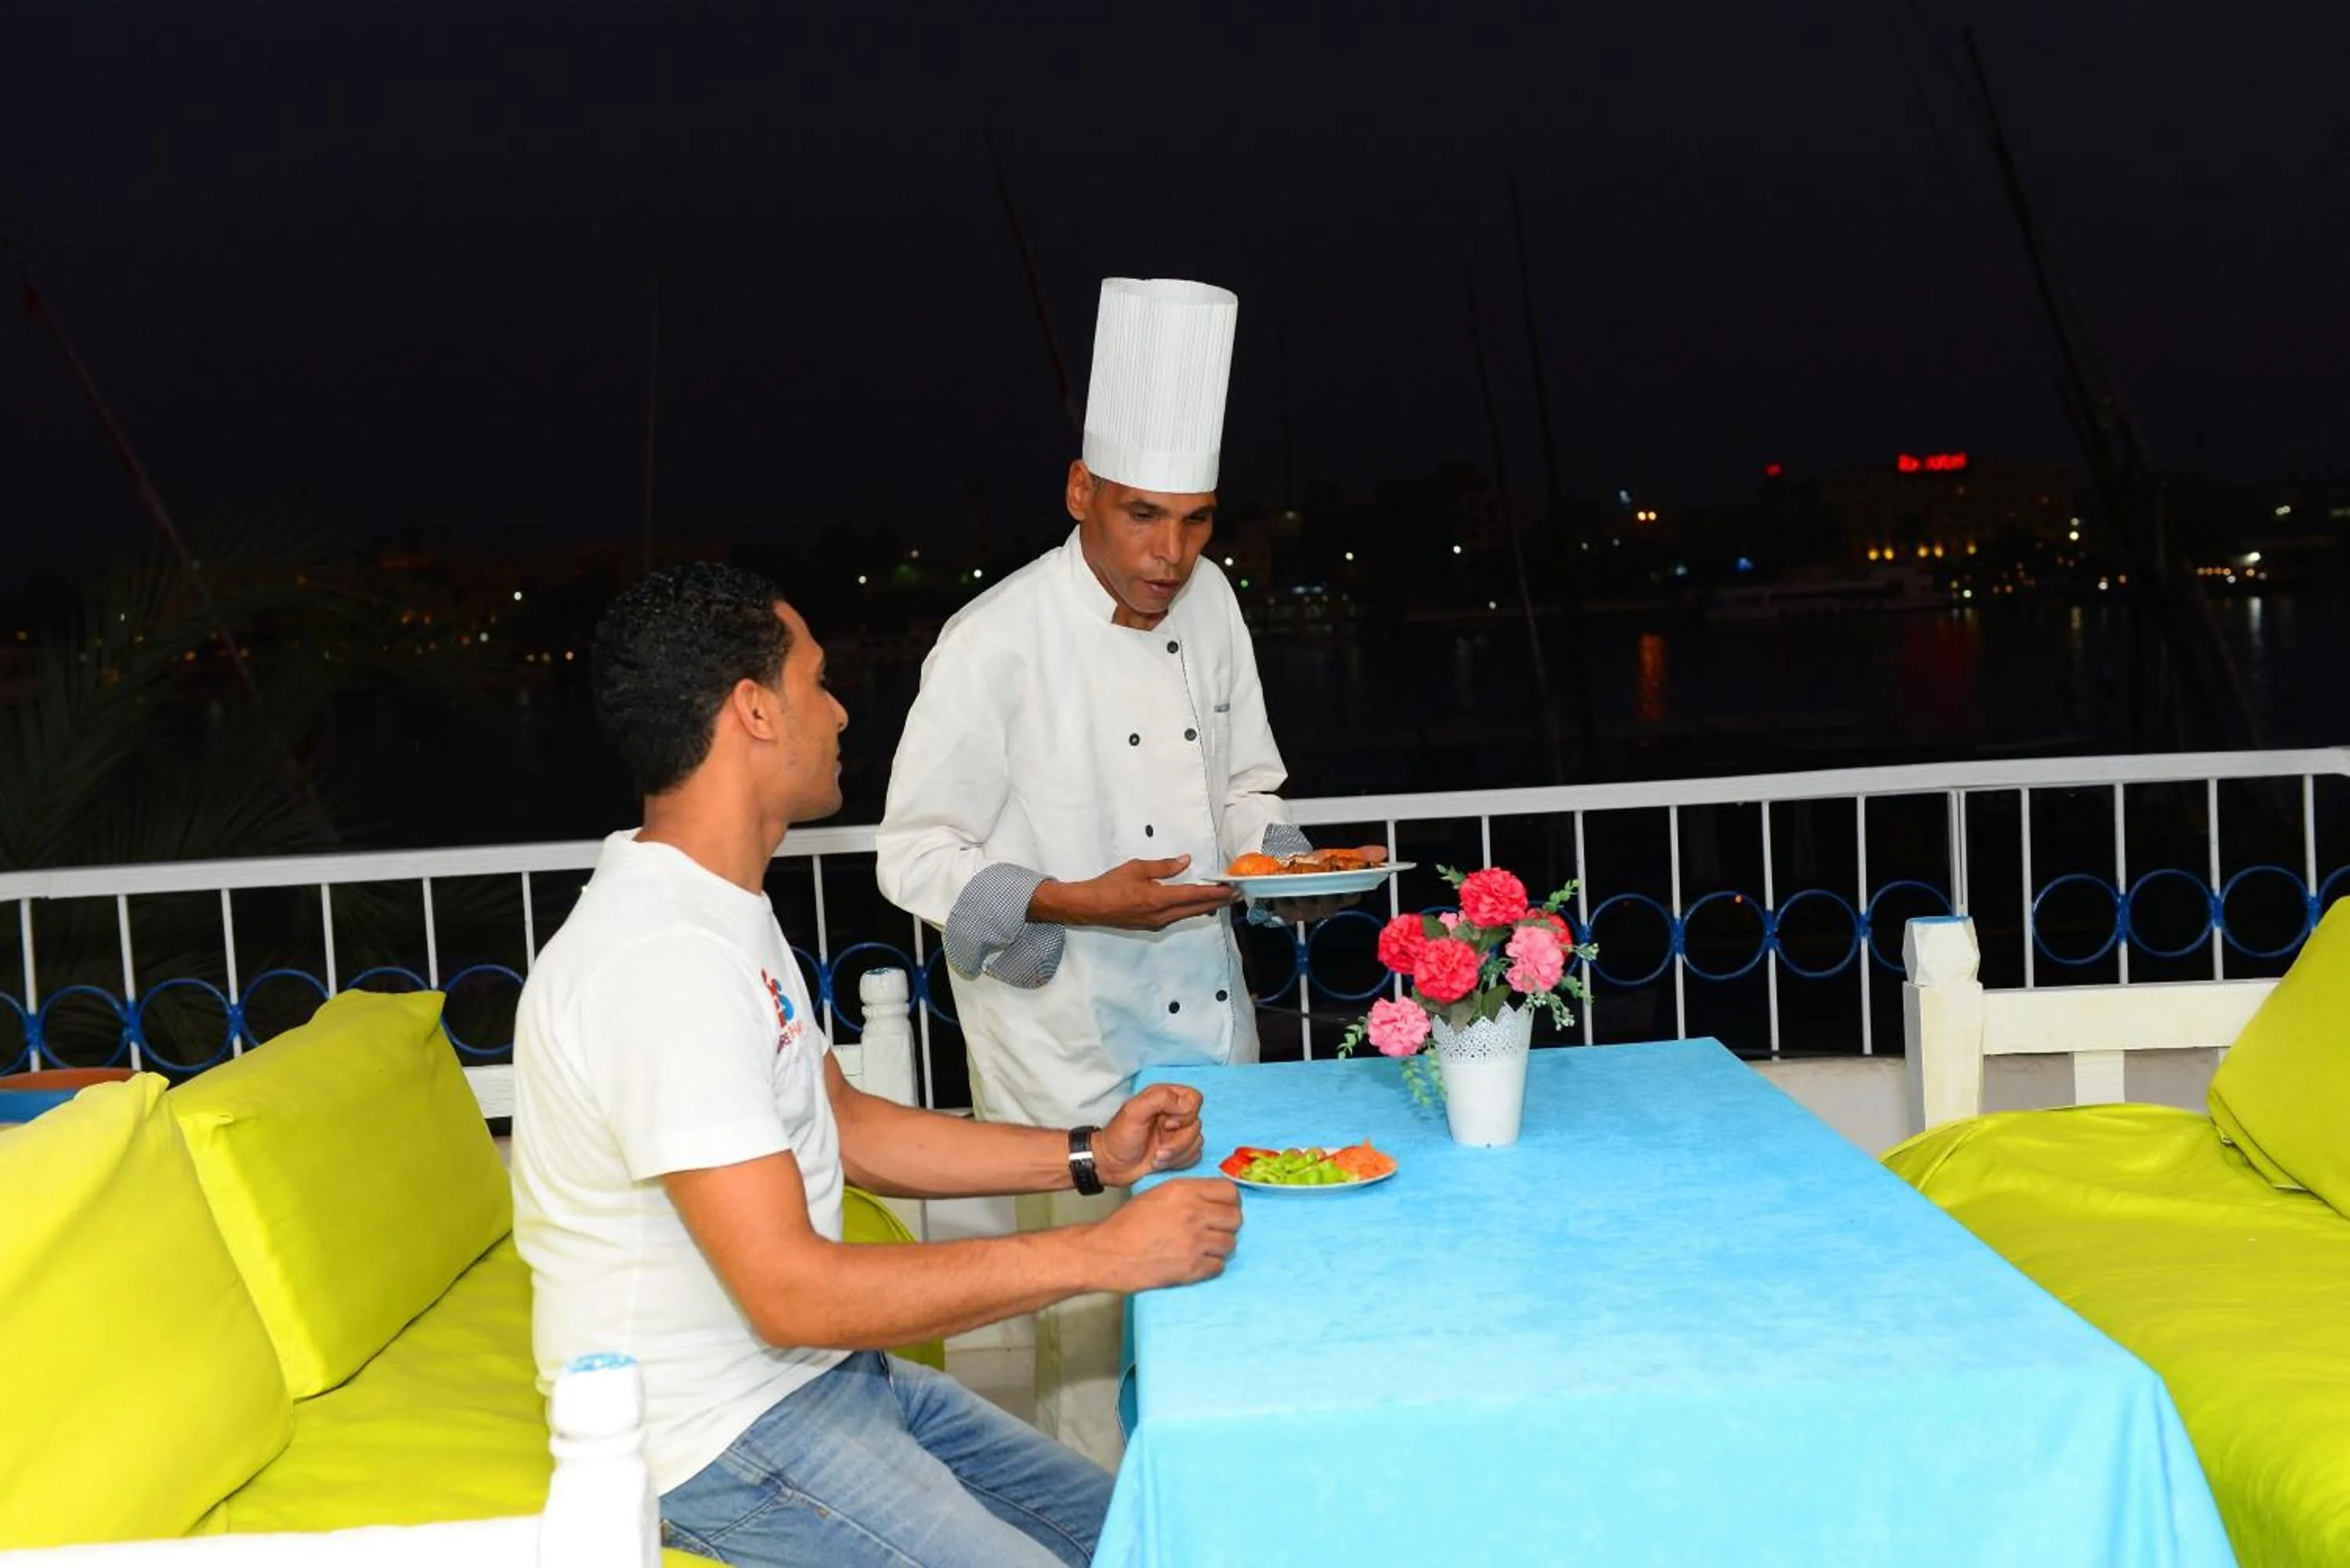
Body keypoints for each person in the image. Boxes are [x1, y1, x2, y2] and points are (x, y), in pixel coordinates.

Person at [510, 562, 1244, 1568]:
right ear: (755, 710)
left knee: (1153, 1533)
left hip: (820, 1377)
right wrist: (1105, 1254)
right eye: (818, 682)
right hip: (719, 1436)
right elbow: (792, 1294)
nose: (843, 712)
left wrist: (1092, 1159)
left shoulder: (718, 910)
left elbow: (846, 1125)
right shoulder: (659, 959)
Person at [874, 277, 1356, 1465]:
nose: (1172, 552)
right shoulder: (993, 641)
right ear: (1080, 491)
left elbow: (1248, 787)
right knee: (1092, 1346)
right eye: (1145, 516)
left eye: (1197, 522)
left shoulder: (1217, 599)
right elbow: (914, 850)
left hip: (1210, 1025)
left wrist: (1293, 863)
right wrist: (1074, 899)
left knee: (1219, 1312)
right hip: (1067, 1055)